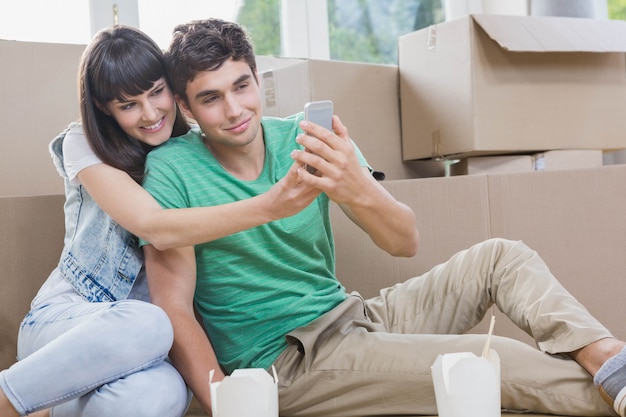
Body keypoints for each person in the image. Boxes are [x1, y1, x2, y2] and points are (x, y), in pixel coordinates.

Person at [140, 18, 626, 417]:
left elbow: (403, 241)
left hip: (353, 316)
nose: (234, 109)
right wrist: (228, 404)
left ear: (255, 76)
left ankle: (605, 355)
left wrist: (353, 181)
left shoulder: (307, 137)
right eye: (210, 98)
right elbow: (173, 306)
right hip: (288, 361)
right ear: (184, 105)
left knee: (501, 258)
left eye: (241, 86)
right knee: (491, 363)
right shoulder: (172, 168)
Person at [0, 24, 316, 417]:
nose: (150, 114)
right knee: (149, 321)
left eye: (156, 93)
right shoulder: (83, 144)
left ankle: (52, 407)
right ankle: (8, 399)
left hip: (147, 353)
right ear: (104, 108)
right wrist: (270, 206)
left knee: (161, 393)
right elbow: (154, 225)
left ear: (177, 93)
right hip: (67, 326)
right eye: (128, 104)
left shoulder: (197, 151)